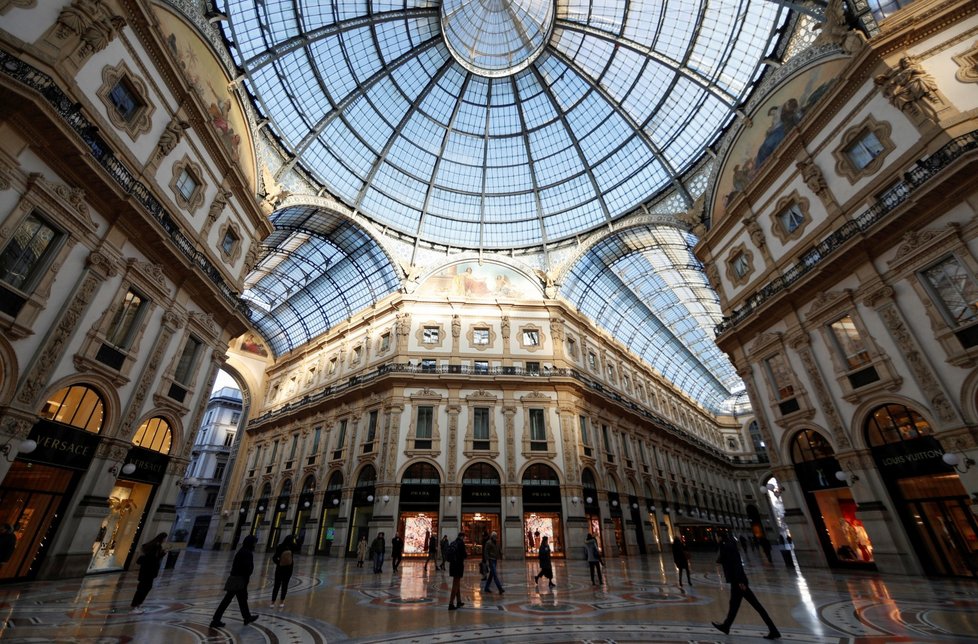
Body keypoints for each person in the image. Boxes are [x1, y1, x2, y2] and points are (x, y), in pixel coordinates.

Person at [712, 531, 780, 640]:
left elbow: (737, 563)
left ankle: (773, 630)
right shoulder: (726, 545)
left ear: (719, 537)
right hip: (737, 581)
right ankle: (726, 626)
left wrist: (740, 581)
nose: (715, 538)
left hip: (739, 582)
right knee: (734, 605)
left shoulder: (729, 546)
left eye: (715, 536)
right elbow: (720, 560)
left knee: (756, 605)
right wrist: (720, 545)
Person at [210, 535, 260, 629]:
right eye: (254, 543)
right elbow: (246, 568)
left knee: (241, 600)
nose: (255, 545)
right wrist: (246, 578)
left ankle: (247, 617)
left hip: (236, 579)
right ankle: (216, 620)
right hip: (239, 580)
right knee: (229, 600)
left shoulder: (242, 551)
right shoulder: (247, 553)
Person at [129, 532, 168, 613]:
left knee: (143, 588)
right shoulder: (156, 546)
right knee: (144, 588)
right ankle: (136, 606)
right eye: (165, 538)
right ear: (162, 538)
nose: (165, 540)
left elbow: (152, 557)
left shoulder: (152, 545)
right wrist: (162, 553)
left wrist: (162, 553)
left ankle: (136, 605)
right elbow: (153, 559)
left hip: (146, 571)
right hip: (148, 572)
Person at [271, 534, 296, 608]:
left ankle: (273, 602)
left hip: (281, 568)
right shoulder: (291, 547)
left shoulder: (282, 546)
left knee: (277, 585)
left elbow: (274, 558)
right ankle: (281, 602)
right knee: (283, 585)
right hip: (287, 569)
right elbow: (298, 546)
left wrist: (279, 563)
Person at [448, 532, 467, 610]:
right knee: (455, 584)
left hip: (452, 565)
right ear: (462, 537)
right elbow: (464, 555)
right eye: (464, 537)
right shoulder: (461, 543)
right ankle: (451, 603)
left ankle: (458, 601)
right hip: (458, 565)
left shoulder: (453, 542)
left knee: (457, 583)